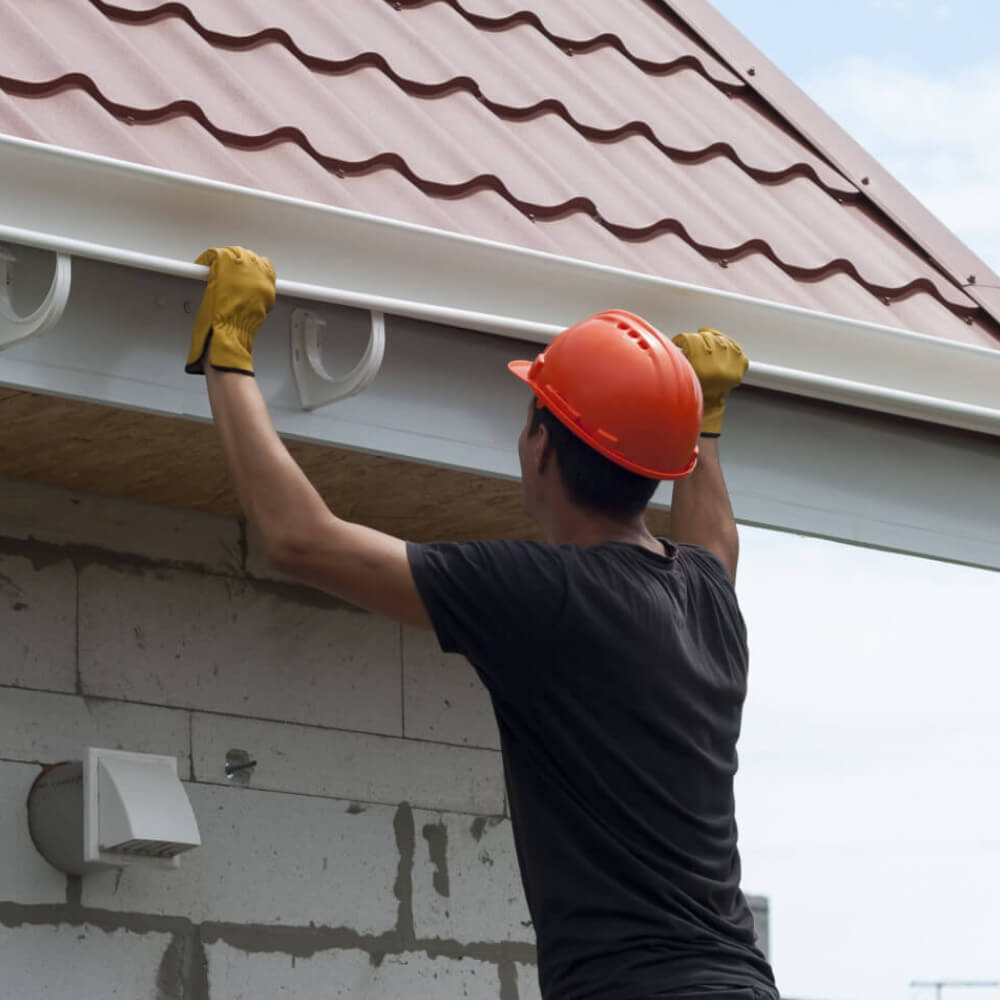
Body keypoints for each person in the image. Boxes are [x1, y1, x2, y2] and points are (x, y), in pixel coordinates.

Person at [186, 247, 779, 1000]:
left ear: (542, 446)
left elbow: (302, 539)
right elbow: (714, 538)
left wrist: (227, 351)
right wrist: (707, 414)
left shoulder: (550, 596)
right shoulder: (707, 598)